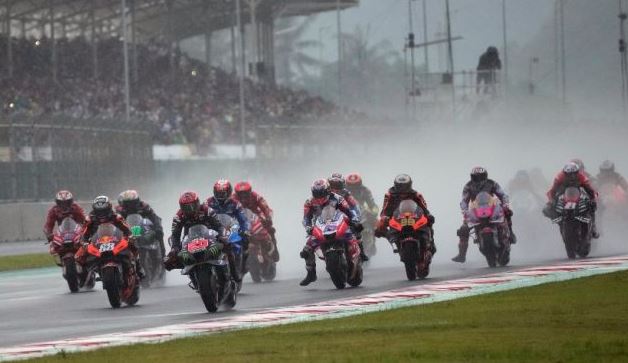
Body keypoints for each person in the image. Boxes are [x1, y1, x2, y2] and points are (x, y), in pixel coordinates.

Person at [299, 178, 363, 286]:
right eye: (316, 193)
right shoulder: (309, 202)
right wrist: (308, 227)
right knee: (307, 250)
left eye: (321, 193)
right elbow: (306, 218)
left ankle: (356, 254)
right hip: (320, 226)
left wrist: (355, 220)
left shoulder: (337, 198)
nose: (319, 197)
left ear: (327, 190)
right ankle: (311, 274)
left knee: (355, 233)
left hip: (337, 222)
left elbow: (349, 210)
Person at [164, 191, 239, 281]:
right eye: (186, 207)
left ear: (198, 203)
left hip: (209, 235)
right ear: (181, 207)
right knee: (169, 260)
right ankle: (192, 273)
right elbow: (175, 235)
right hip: (189, 239)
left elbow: (219, 226)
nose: (190, 209)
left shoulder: (207, 210)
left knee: (228, 246)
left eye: (192, 206)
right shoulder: (178, 216)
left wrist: (222, 236)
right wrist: (175, 248)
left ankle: (234, 275)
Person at [452, 167, 515, 263]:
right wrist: (464, 210)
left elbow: (503, 195)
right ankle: (462, 255)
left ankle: (511, 233)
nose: (479, 180)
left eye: (481, 177)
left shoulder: (492, 183)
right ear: (472, 177)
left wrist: (505, 204)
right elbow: (464, 201)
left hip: (491, 206)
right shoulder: (468, 186)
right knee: (463, 229)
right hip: (476, 209)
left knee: (507, 212)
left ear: (485, 176)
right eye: (476, 177)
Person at [76, 196, 143, 278]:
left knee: (133, 244)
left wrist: (130, 236)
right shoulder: (89, 219)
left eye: (104, 211)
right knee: (78, 256)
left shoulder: (116, 217)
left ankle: (139, 267)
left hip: (115, 239)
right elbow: (83, 232)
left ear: (109, 208)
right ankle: (84, 275)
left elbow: (126, 228)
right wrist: (83, 242)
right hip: (96, 241)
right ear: (95, 210)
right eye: (99, 211)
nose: (102, 214)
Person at [375, 174, 436, 253]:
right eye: (400, 186)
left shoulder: (416, 195)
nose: (402, 189)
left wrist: (428, 215)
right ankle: (393, 241)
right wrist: (385, 217)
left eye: (404, 186)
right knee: (379, 226)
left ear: (409, 185)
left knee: (429, 221)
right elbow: (385, 209)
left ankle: (431, 242)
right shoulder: (389, 195)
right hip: (397, 218)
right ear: (396, 185)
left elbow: (424, 207)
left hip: (414, 217)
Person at [207, 180, 250, 277]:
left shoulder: (235, 204)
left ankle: (242, 267)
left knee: (245, 241)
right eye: (218, 193)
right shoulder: (208, 202)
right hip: (214, 230)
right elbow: (201, 216)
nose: (220, 196)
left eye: (223, 193)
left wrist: (245, 230)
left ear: (229, 192)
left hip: (231, 228)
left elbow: (243, 219)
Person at [544, 162, 599, 238]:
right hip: (563, 193)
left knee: (591, 206)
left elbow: (591, 190)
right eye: (569, 174)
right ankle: (559, 221)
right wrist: (551, 201)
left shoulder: (582, 177)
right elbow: (551, 191)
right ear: (564, 173)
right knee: (546, 209)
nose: (572, 176)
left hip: (579, 193)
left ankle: (593, 228)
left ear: (577, 172)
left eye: (574, 174)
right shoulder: (559, 177)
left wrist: (593, 200)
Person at [233, 181, 279, 262]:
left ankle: (274, 249)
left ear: (249, 192)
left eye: (245, 193)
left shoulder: (256, 196)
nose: (243, 196)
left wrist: (268, 217)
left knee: (270, 228)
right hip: (240, 220)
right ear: (237, 194)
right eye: (241, 194)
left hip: (256, 217)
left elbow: (266, 207)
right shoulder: (232, 199)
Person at [328, 173, 368, 261]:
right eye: (333, 184)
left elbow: (354, 206)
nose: (335, 187)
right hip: (329, 218)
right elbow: (319, 208)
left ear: (342, 184)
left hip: (344, 216)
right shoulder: (325, 193)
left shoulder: (346, 193)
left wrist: (355, 218)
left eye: (337, 184)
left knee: (356, 231)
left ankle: (361, 252)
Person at [115, 190, 166, 258]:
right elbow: (115, 222)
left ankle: (163, 256)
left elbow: (155, 218)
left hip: (144, 230)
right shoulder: (119, 210)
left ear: (137, 201)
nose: (131, 206)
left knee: (159, 234)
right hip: (129, 232)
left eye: (132, 203)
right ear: (124, 204)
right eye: (128, 204)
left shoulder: (144, 207)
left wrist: (158, 228)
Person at [43, 190, 87, 262]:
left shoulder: (76, 208)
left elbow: (85, 220)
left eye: (67, 203)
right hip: (62, 234)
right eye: (62, 203)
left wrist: (85, 230)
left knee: (86, 245)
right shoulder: (53, 210)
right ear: (57, 203)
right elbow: (48, 225)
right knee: (54, 247)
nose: (64, 206)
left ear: (71, 202)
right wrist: (49, 234)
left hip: (76, 233)